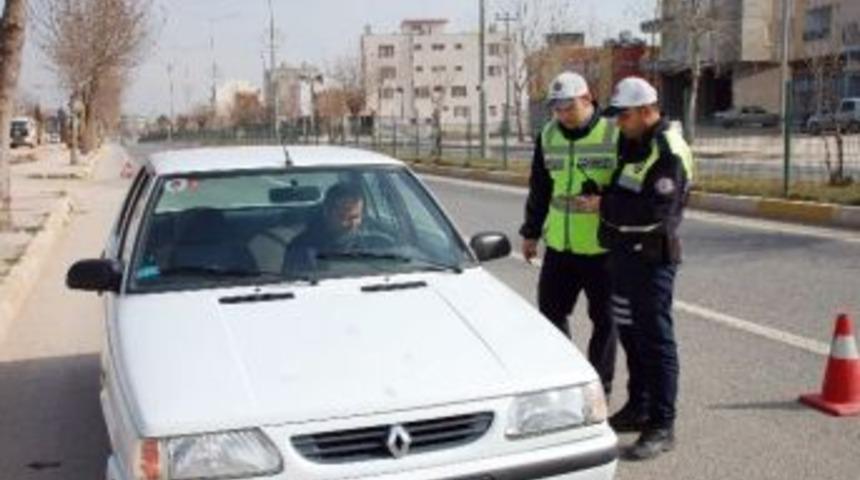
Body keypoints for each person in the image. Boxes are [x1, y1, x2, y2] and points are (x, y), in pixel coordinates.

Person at [589, 76, 694, 460]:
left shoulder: (668, 148)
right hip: (622, 256)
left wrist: (604, 206)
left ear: (647, 110)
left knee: (655, 342)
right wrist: (605, 198)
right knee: (630, 336)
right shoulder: (633, 141)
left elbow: (657, 212)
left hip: (650, 258)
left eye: (625, 115)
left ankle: (662, 425)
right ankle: (639, 406)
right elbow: (623, 189)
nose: (619, 122)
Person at [519, 71, 619, 395]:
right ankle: (565, 381)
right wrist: (531, 232)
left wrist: (606, 202)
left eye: (568, 107)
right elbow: (540, 188)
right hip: (560, 247)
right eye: (557, 108)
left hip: (603, 249)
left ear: (588, 99)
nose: (562, 114)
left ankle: (599, 386)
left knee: (605, 322)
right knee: (550, 315)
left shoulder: (614, 133)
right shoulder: (548, 135)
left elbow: (631, 187)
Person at [285, 182, 372, 269]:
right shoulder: (300, 249)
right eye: (343, 217)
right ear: (326, 212)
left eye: (355, 217)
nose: (351, 224)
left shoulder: (375, 243)